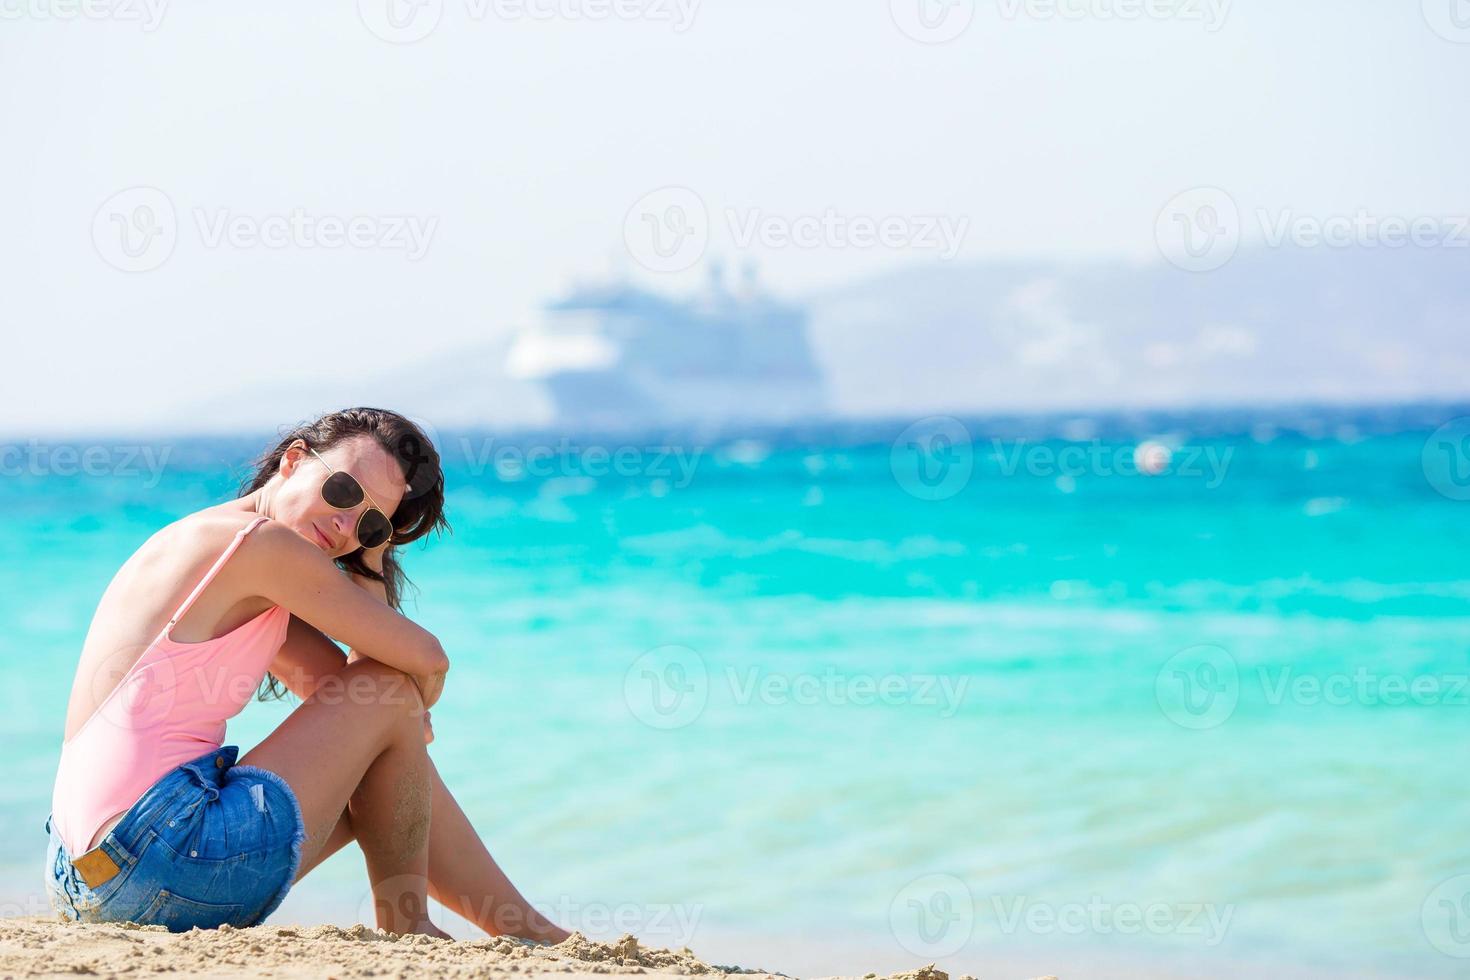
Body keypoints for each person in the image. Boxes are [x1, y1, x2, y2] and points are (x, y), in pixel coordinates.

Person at [44, 406, 570, 941]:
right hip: (156, 861)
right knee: (386, 697)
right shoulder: (259, 545)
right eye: (342, 490)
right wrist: (402, 704)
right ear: (294, 459)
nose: (346, 525)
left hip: (82, 875)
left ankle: (525, 929)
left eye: (369, 524)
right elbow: (423, 661)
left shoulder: (223, 552)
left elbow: (343, 688)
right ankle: (416, 927)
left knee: (383, 721)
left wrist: (398, 716)